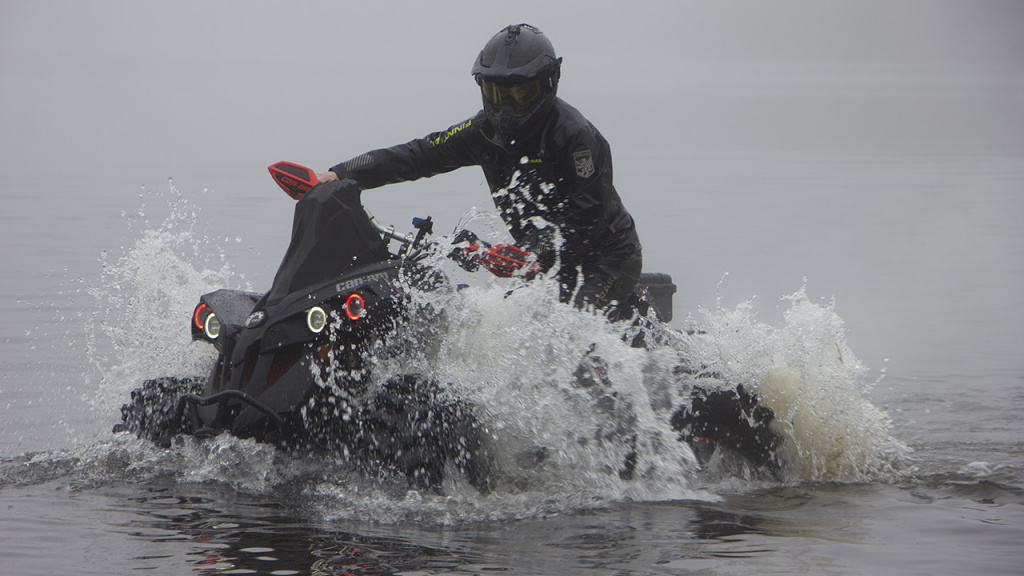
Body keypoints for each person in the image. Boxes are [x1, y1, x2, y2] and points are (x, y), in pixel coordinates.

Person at [317, 23, 643, 320]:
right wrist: (341, 175)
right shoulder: (483, 132)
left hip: (607, 258)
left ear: (547, 83)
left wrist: (528, 253)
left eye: (520, 93)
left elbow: (586, 219)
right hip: (542, 261)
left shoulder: (575, 137)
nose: (506, 108)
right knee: (509, 331)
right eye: (496, 94)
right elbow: (420, 154)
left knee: (569, 337)